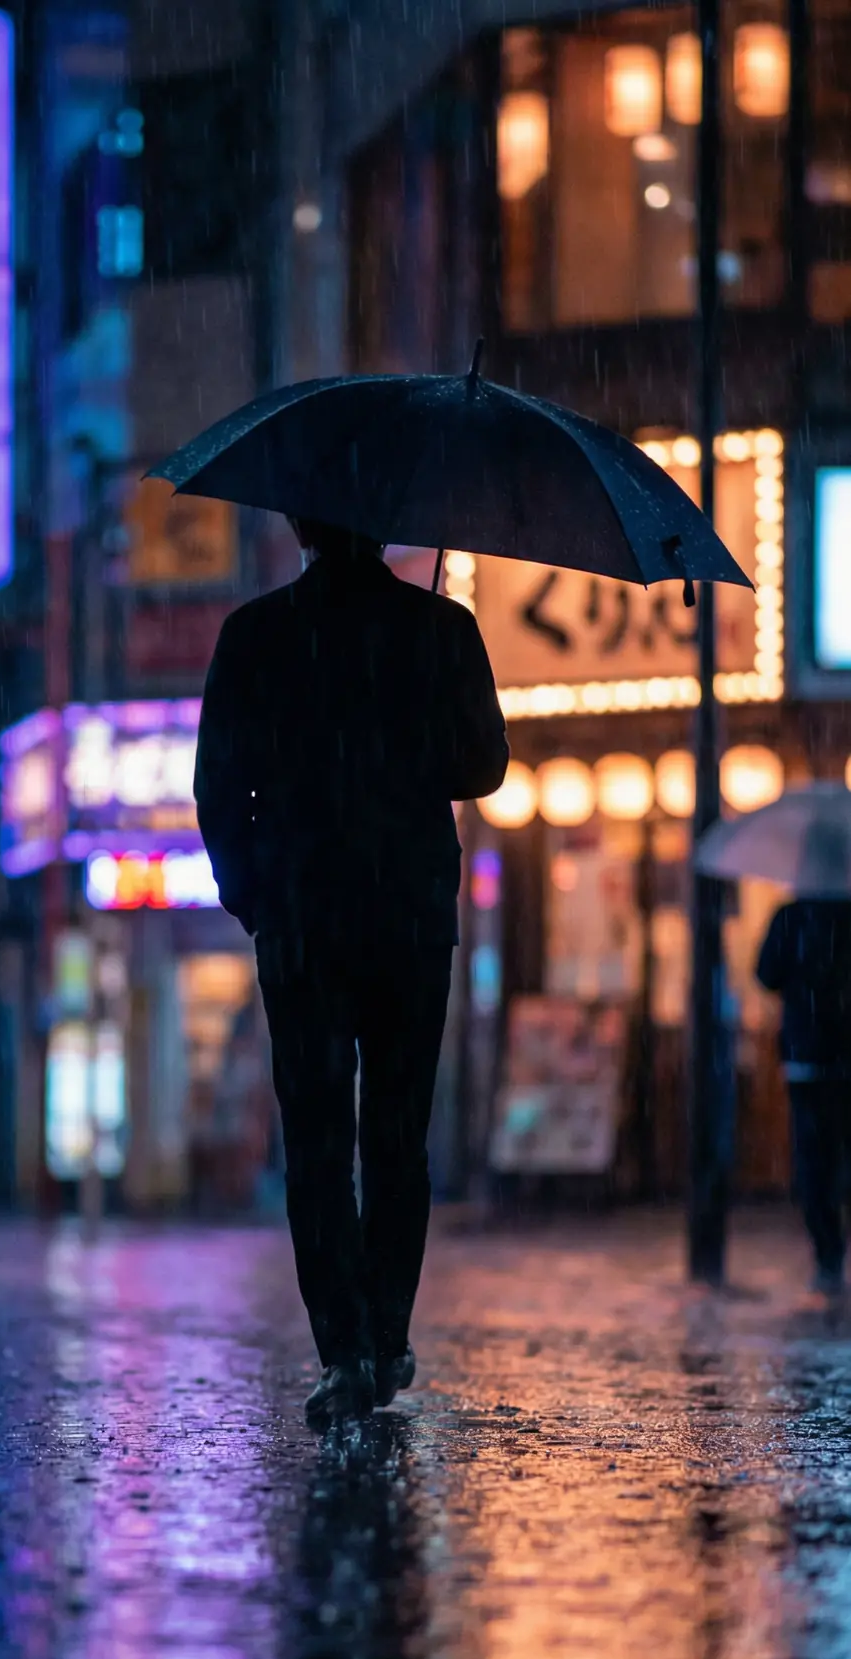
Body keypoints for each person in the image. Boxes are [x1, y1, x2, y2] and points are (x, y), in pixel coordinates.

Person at [195, 520, 508, 1426]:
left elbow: (219, 787)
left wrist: (255, 898)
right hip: (408, 916)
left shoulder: (256, 635)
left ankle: (345, 1350)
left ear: (297, 526)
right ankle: (386, 1332)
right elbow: (482, 765)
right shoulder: (439, 629)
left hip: (300, 921)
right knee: (397, 1137)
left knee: (319, 1144)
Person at [755, 819, 851, 1295]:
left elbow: (765, 974)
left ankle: (828, 1255)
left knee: (814, 1160)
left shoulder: (792, 916)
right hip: (842, 1059)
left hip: (807, 1057)